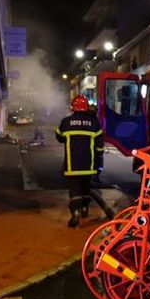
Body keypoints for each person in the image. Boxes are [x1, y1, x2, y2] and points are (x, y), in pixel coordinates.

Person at [55, 95, 104, 227]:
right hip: (89, 165)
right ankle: (84, 208)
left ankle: (75, 213)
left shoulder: (66, 122)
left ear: (73, 107)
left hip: (72, 165)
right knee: (86, 187)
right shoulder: (94, 123)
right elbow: (100, 144)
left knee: (74, 189)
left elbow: (59, 137)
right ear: (86, 107)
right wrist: (99, 156)